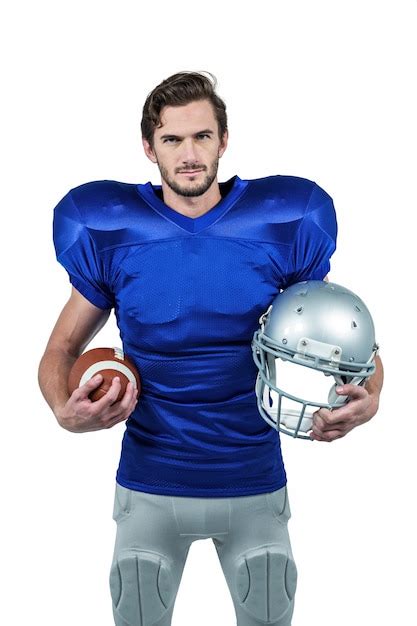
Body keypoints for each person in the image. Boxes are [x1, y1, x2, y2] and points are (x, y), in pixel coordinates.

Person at [38, 71, 383, 626]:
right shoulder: (114, 231)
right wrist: (62, 409)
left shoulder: (280, 222)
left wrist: (372, 396)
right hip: (149, 480)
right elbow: (60, 350)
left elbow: (341, 332)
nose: (189, 154)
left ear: (224, 141)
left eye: (202, 136)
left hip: (253, 479)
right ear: (149, 148)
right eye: (172, 139)